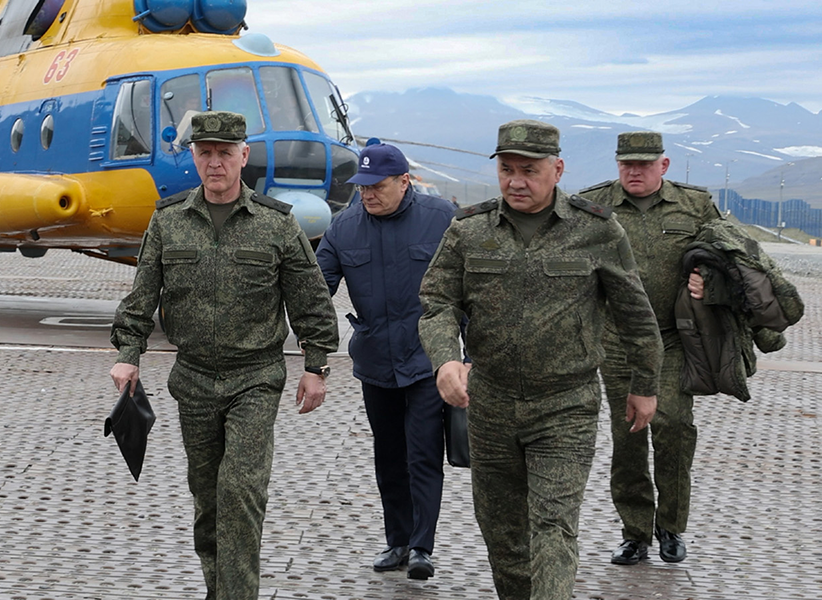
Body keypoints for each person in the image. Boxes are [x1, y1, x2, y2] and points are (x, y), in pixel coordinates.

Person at [417, 119, 663, 600]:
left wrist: (645, 385)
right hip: (490, 402)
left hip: (565, 404)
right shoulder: (469, 230)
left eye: (529, 170)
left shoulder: (595, 229)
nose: (515, 181)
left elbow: (636, 314)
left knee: (552, 525)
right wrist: (446, 360)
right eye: (507, 169)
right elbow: (437, 302)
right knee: (503, 532)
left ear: (558, 169)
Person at [109, 111, 339, 600]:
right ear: (193, 156)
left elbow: (311, 300)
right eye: (206, 153)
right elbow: (141, 296)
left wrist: (315, 364)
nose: (215, 163)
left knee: (240, 492)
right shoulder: (169, 221)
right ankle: (221, 588)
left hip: (254, 378)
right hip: (192, 381)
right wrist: (129, 353)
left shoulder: (276, 224)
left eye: (225, 153)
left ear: (244, 157)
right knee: (208, 497)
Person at [579, 131, 721, 565]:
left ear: (664, 165)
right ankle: (635, 532)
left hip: (672, 340)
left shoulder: (695, 205)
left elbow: (730, 255)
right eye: (626, 164)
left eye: (643, 164)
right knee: (629, 439)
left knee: (675, 429)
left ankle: (672, 526)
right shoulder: (592, 204)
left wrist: (708, 278)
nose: (634, 172)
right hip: (617, 343)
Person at [315, 143, 456, 580]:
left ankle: (421, 548)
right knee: (389, 454)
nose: (368, 195)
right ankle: (397, 541)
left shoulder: (441, 218)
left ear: (404, 182)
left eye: (377, 187)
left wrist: (464, 354)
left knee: (423, 452)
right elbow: (316, 290)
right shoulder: (344, 227)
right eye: (362, 187)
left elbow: (466, 284)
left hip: (428, 358)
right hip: (376, 360)